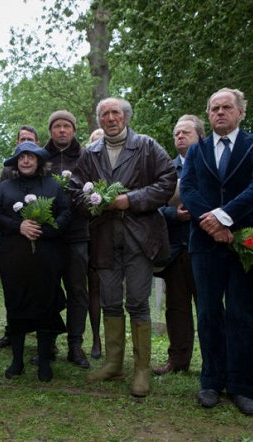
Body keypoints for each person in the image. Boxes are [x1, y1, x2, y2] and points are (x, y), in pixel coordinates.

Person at [71, 97, 176, 397]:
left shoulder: (146, 146)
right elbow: (74, 189)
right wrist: (94, 203)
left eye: (115, 112)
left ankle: (142, 369)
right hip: (104, 236)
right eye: (104, 114)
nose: (110, 118)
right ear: (99, 120)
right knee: (110, 301)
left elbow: (168, 181)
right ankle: (113, 363)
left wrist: (130, 200)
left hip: (140, 236)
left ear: (126, 116)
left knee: (138, 302)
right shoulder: (90, 153)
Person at [180, 88, 253, 416]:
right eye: (214, 108)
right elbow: (188, 188)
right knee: (207, 312)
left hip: (245, 240)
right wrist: (211, 223)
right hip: (204, 243)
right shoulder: (197, 151)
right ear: (208, 114)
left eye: (226, 107)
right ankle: (211, 382)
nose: (220, 112)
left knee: (242, 312)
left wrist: (224, 216)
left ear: (240, 112)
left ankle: (244, 386)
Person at [0, 142, 72, 382]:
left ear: (39, 161)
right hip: (14, 257)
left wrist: (45, 230)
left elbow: (66, 214)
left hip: (46, 256)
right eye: (21, 157)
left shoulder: (53, 185)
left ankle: (44, 361)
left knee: (45, 305)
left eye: (31, 157)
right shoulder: (5, 187)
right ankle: (17, 360)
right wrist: (19, 226)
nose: (26, 161)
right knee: (16, 304)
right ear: (16, 162)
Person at [153, 115, 204, 375]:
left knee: (208, 307)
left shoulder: (210, 164)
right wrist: (175, 214)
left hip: (206, 249)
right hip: (175, 250)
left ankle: (213, 362)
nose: (180, 137)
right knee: (176, 308)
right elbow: (152, 207)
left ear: (200, 137)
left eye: (186, 133)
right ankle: (178, 361)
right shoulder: (166, 170)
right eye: (176, 134)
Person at [43, 110, 91, 369]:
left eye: (66, 126)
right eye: (57, 126)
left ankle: (75, 344)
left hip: (77, 234)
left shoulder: (86, 156)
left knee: (77, 290)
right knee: (48, 289)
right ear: (51, 131)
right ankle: (48, 342)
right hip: (49, 234)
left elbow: (95, 187)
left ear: (73, 130)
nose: (62, 130)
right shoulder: (41, 156)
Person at [0, 124, 40, 349]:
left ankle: (44, 339)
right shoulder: (6, 173)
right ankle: (13, 333)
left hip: (39, 243)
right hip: (12, 240)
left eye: (29, 139)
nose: (25, 143)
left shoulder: (45, 175)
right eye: (22, 139)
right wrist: (14, 226)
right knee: (12, 290)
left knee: (40, 291)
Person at [85, 127, 105, 360]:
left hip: (114, 237)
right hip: (90, 234)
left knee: (108, 292)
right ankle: (95, 339)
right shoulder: (86, 168)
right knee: (92, 291)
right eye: (94, 141)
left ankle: (110, 340)